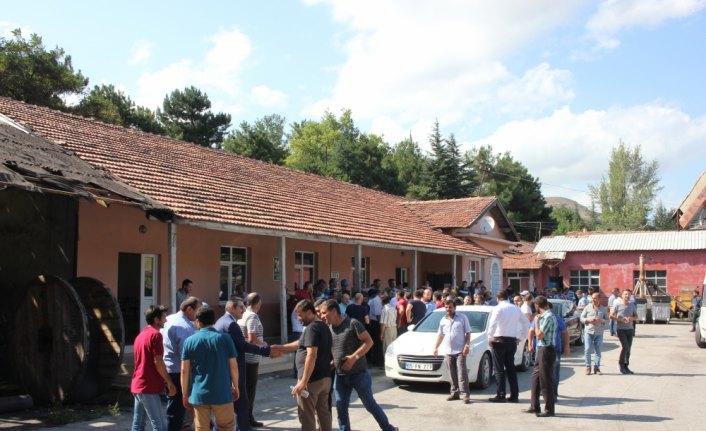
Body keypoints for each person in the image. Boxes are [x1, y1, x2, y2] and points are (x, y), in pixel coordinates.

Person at [318, 300, 398, 431]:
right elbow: (336, 354)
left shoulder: (353, 323)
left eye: (323, 313)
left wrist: (353, 358)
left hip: (359, 374)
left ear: (334, 311)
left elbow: (369, 342)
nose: (321, 316)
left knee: (370, 405)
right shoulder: (329, 329)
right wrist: (329, 366)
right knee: (341, 408)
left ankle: (389, 429)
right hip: (340, 376)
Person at [215, 298, 277, 431]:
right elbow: (243, 346)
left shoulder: (221, 321)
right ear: (231, 308)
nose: (243, 310)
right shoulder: (231, 324)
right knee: (241, 399)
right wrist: (266, 350)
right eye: (240, 307)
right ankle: (243, 427)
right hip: (234, 366)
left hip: (225, 366)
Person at [181, 307, 239, 431]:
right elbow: (233, 366)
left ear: (198, 322)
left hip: (199, 394)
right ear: (213, 321)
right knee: (227, 427)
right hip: (222, 393)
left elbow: (184, 370)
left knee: (201, 428)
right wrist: (235, 385)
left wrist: (184, 393)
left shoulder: (189, 341)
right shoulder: (225, 338)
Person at [280, 300, 333, 431]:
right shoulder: (323, 326)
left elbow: (311, 355)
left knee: (307, 416)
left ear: (309, 312)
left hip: (311, 381)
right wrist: (281, 348)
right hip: (324, 378)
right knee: (323, 413)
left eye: (300, 315)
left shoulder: (312, 328)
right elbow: (301, 343)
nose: (298, 319)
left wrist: (303, 381)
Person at [131, 304, 176, 431]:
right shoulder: (156, 335)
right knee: (160, 426)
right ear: (156, 319)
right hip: (148, 386)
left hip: (138, 384)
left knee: (138, 425)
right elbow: (158, 361)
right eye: (164, 317)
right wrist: (169, 382)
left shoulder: (140, 335)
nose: (166, 320)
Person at [162, 297, 200, 431]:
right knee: (177, 409)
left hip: (169, 367)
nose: (198, 315)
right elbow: (186, 356)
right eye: (197, 311)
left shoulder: (169, 319)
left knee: (173, 406)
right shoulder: (185, 327)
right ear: (189, 309)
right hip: (179, 371)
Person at [487, 290, 530, 403]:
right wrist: (521, 337)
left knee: (499, 369)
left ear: (498, 298)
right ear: (508, 298)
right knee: (511, 368)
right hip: (511, 340)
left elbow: (492, 324)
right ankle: (514, 395)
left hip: (499, 340)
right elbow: (526, 323)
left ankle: (501, 395)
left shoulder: (498, 308)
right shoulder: (516, 309)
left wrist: (490, 337)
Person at [433, 300, 472, 404]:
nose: (448, 309)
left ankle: (465, 394)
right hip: (448, 350)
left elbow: (468, 332)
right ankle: (454, 392)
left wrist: (467, 345)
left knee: (462, 373)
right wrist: (436, 347)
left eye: (450, 307)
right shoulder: (443, 320)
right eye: (446, 307)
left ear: (455, 308)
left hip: (460, 350)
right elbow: (441, 335)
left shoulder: (462, 318)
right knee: (451, 373)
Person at [524, 296, 556, 417]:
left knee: (545, 380)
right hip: (542, 349)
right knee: (535, 378)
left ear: (537, 306)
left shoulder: (548, 317)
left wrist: (537, 322)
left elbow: (539, 335)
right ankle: (534, 405)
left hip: (547, 349)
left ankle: (549, 409)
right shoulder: (543, 316)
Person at [240, 292, 268, 428]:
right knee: (249, 390)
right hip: (251, 358)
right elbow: (252, 338)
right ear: (257, 303)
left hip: (246, 356)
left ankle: (247, 417)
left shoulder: (244, 314)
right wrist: (264, 345)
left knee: (247, 389)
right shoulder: (252, 316)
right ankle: (247, 418)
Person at [610, 289, 638, 374]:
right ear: (622, 295)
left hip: (630, 329)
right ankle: (621, 364)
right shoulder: (617, 304)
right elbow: (611, 316)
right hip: (621, 329)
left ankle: (626, 366)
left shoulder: (632, 305)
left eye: (629, 294)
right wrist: (620, 320)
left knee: (628, 349)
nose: (627, 296)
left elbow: (636, 317)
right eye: (625, 294)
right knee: (625, 347)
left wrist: (631, 318)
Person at [580, 292, 608, 375]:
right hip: (588, 331)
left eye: (595, 298)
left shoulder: (603, 309)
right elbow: (581, 317)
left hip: (599, 332)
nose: (593, 300)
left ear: (599, 299)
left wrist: (601, 320)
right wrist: (588, 320)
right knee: (587, 349)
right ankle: (588, 367)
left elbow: (608, 320)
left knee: (598, 351)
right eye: (592, 298)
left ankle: (597, 367)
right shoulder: (587, 307)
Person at [366, 288, 383, 366]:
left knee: (376, 342)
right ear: (379, 293)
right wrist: (381, 324)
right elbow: (378, 314)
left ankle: (375, 360)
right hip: (375, 322)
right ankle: (377, 361)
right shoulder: (377, 300)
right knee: (377, 342)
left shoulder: (376, 300)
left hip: (374, 322)